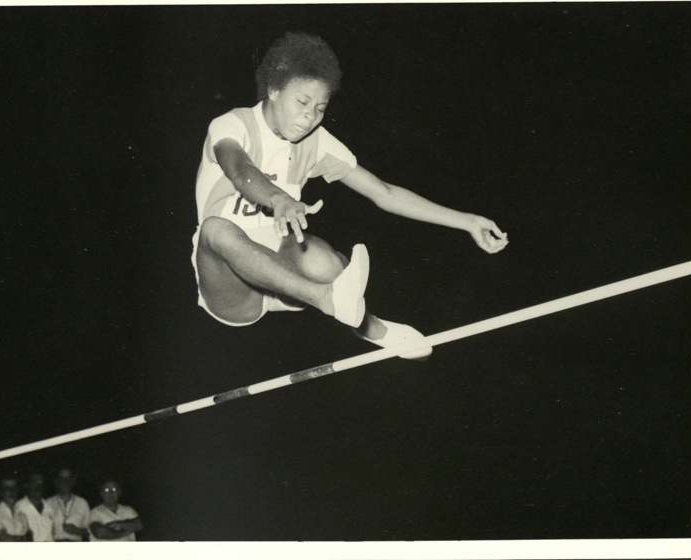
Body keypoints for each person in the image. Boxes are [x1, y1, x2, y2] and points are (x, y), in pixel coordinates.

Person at [192, 32, 508, 359]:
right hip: (232, 286)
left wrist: (468, 221)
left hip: (285, 268)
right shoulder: (232, 125)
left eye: (320, 108)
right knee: (215, 230)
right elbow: (240, 169)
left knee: (323, 260)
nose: (310, 117)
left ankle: (362, 319)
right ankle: (333, 303)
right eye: (302, 102)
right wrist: (278, 199)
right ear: (273, 89)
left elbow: (384, 192)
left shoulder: (317, 142)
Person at [47, 468, 90, 541]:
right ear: (57, 482)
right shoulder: (48, 503)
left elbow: (89, 532)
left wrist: (76, 531)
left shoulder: (82, 503)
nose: (65, 482)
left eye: (68, 479)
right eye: (62, 479)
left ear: (73, 481)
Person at [0, 476, 30, 542]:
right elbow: (6, 540)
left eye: (14, 488)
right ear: (0, 492)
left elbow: (29, 534)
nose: (11, 491)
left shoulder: (23, 512)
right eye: (7, 488)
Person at [14, 472, 54, 542]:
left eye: (41, 483)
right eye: (34, 482)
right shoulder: (19, 507)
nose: (38, 486)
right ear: (27, 485)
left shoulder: (49, 507)